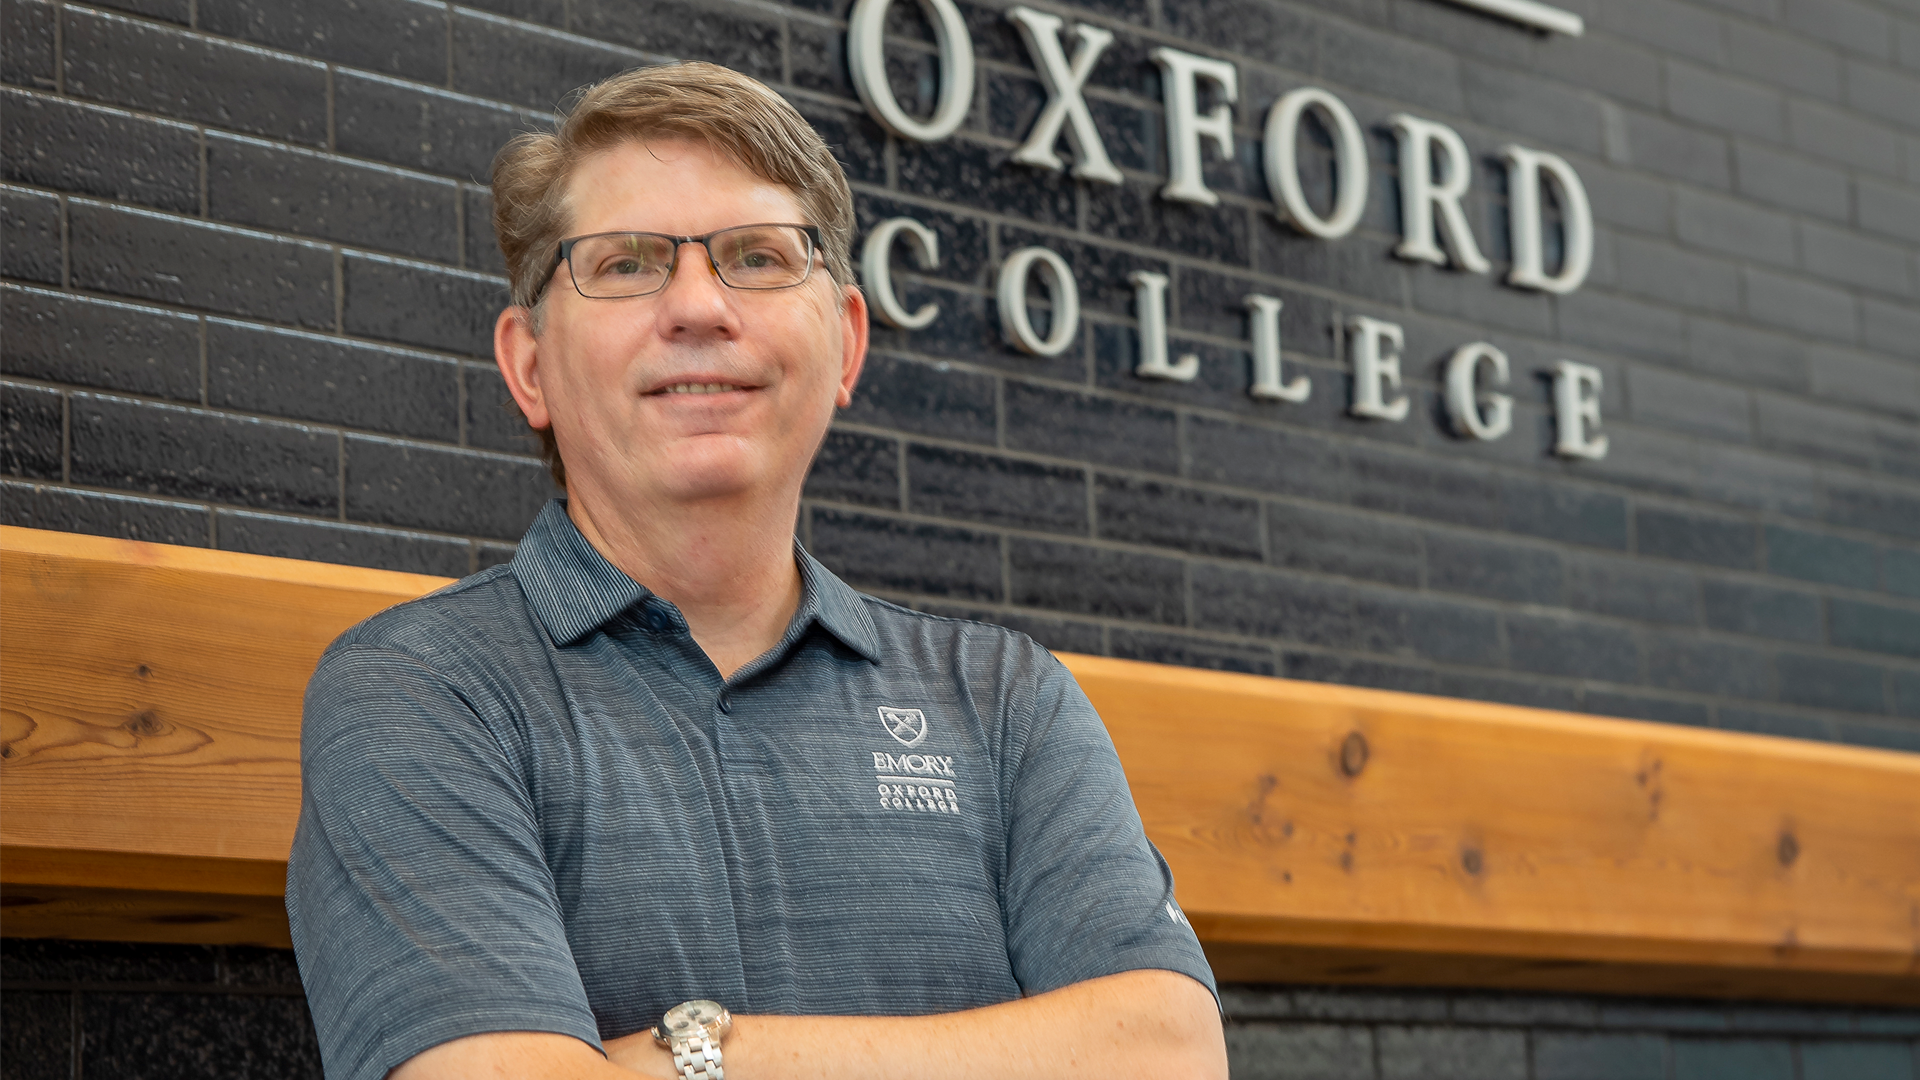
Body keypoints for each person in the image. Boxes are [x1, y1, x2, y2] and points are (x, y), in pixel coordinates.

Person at [286, 61, 1225, 1080]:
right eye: (627, 263)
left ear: (847, 344)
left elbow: (1169, 1052)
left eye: (759, 258)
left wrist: (690, 1056)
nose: (698, 305)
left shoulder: (1005, 706)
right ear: (529, 366)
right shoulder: (424, 692)